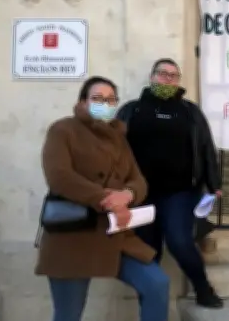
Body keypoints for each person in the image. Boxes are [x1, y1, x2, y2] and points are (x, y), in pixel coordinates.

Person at [36, 76, 170, 321]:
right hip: (74, 236)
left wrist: (127, 194)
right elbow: (59, 176)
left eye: (110, 100)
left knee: (157, 284)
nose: (104, 104)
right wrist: (107, 200)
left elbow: (138, 180)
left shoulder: (118, 137)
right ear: (82, 102)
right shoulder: (63, 130)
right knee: (68, 314)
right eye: (97, 98)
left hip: (115, 234)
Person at [116, 58, 224, 309]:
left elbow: (206, 147)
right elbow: (115, 148)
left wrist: (214, 182)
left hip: (180, 192)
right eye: (163, 74)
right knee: (147, 249)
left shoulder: (190, 111)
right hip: (139, 193)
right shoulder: (132, 110)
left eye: (173, 76)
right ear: (152, 77)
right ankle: (151, 305)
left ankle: (202, 288)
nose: (168, 79)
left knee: (179, 240)